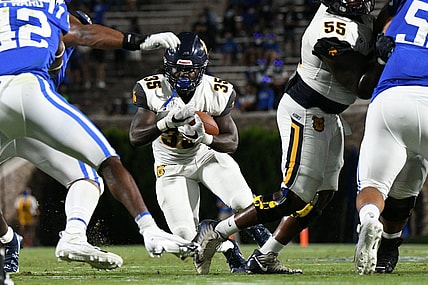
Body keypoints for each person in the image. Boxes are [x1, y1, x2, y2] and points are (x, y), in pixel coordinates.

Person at [0, 1, 195, 273]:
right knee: (103, 164)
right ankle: (148, 229)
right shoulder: (48, 9)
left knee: (85, 176)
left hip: (14, 113)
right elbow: (83, 34)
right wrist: (138, 41)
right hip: (29, 93)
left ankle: (12, 240)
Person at [193, 0, 386, 274]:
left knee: (323, 196)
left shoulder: (359, 17)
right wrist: (381, 58)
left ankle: (265, 256)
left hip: (330, 114)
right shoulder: (330, 28)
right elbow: (361, 86)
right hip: (306, 111)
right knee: (292, 198)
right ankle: (216, 231)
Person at [128, 32, 272, 274]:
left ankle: (260, 238)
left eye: (191, 70)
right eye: (177, 70)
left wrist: (205, 137)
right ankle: (229, 249)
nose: (184, 76)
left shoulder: (217, 90)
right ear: (166, 67)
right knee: (185, 239)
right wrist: (166, 123)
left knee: (242, 201)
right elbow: (135, 137)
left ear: (202, 68)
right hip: (170, 167)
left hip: (205, 156)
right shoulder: (151, 88)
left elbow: (232, 141)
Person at [354, 0, 428, 275]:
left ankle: (371, 220)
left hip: (390, 99)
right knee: (406, 186)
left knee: (374, 186)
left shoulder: (408, 5)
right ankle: (388, 242)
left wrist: (382, 44)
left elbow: (385, 24)